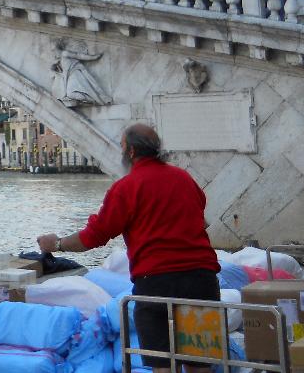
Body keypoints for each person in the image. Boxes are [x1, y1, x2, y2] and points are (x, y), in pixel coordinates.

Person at [37, 124, 220, 373]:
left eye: (122, 147)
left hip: (157, 285)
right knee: (199, 365)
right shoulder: (184, 178)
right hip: (201, 281)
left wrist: (57, 244)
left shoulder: (127, 188)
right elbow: (201, 219)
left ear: (131, 151)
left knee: (162, 366)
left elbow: (94, 236)